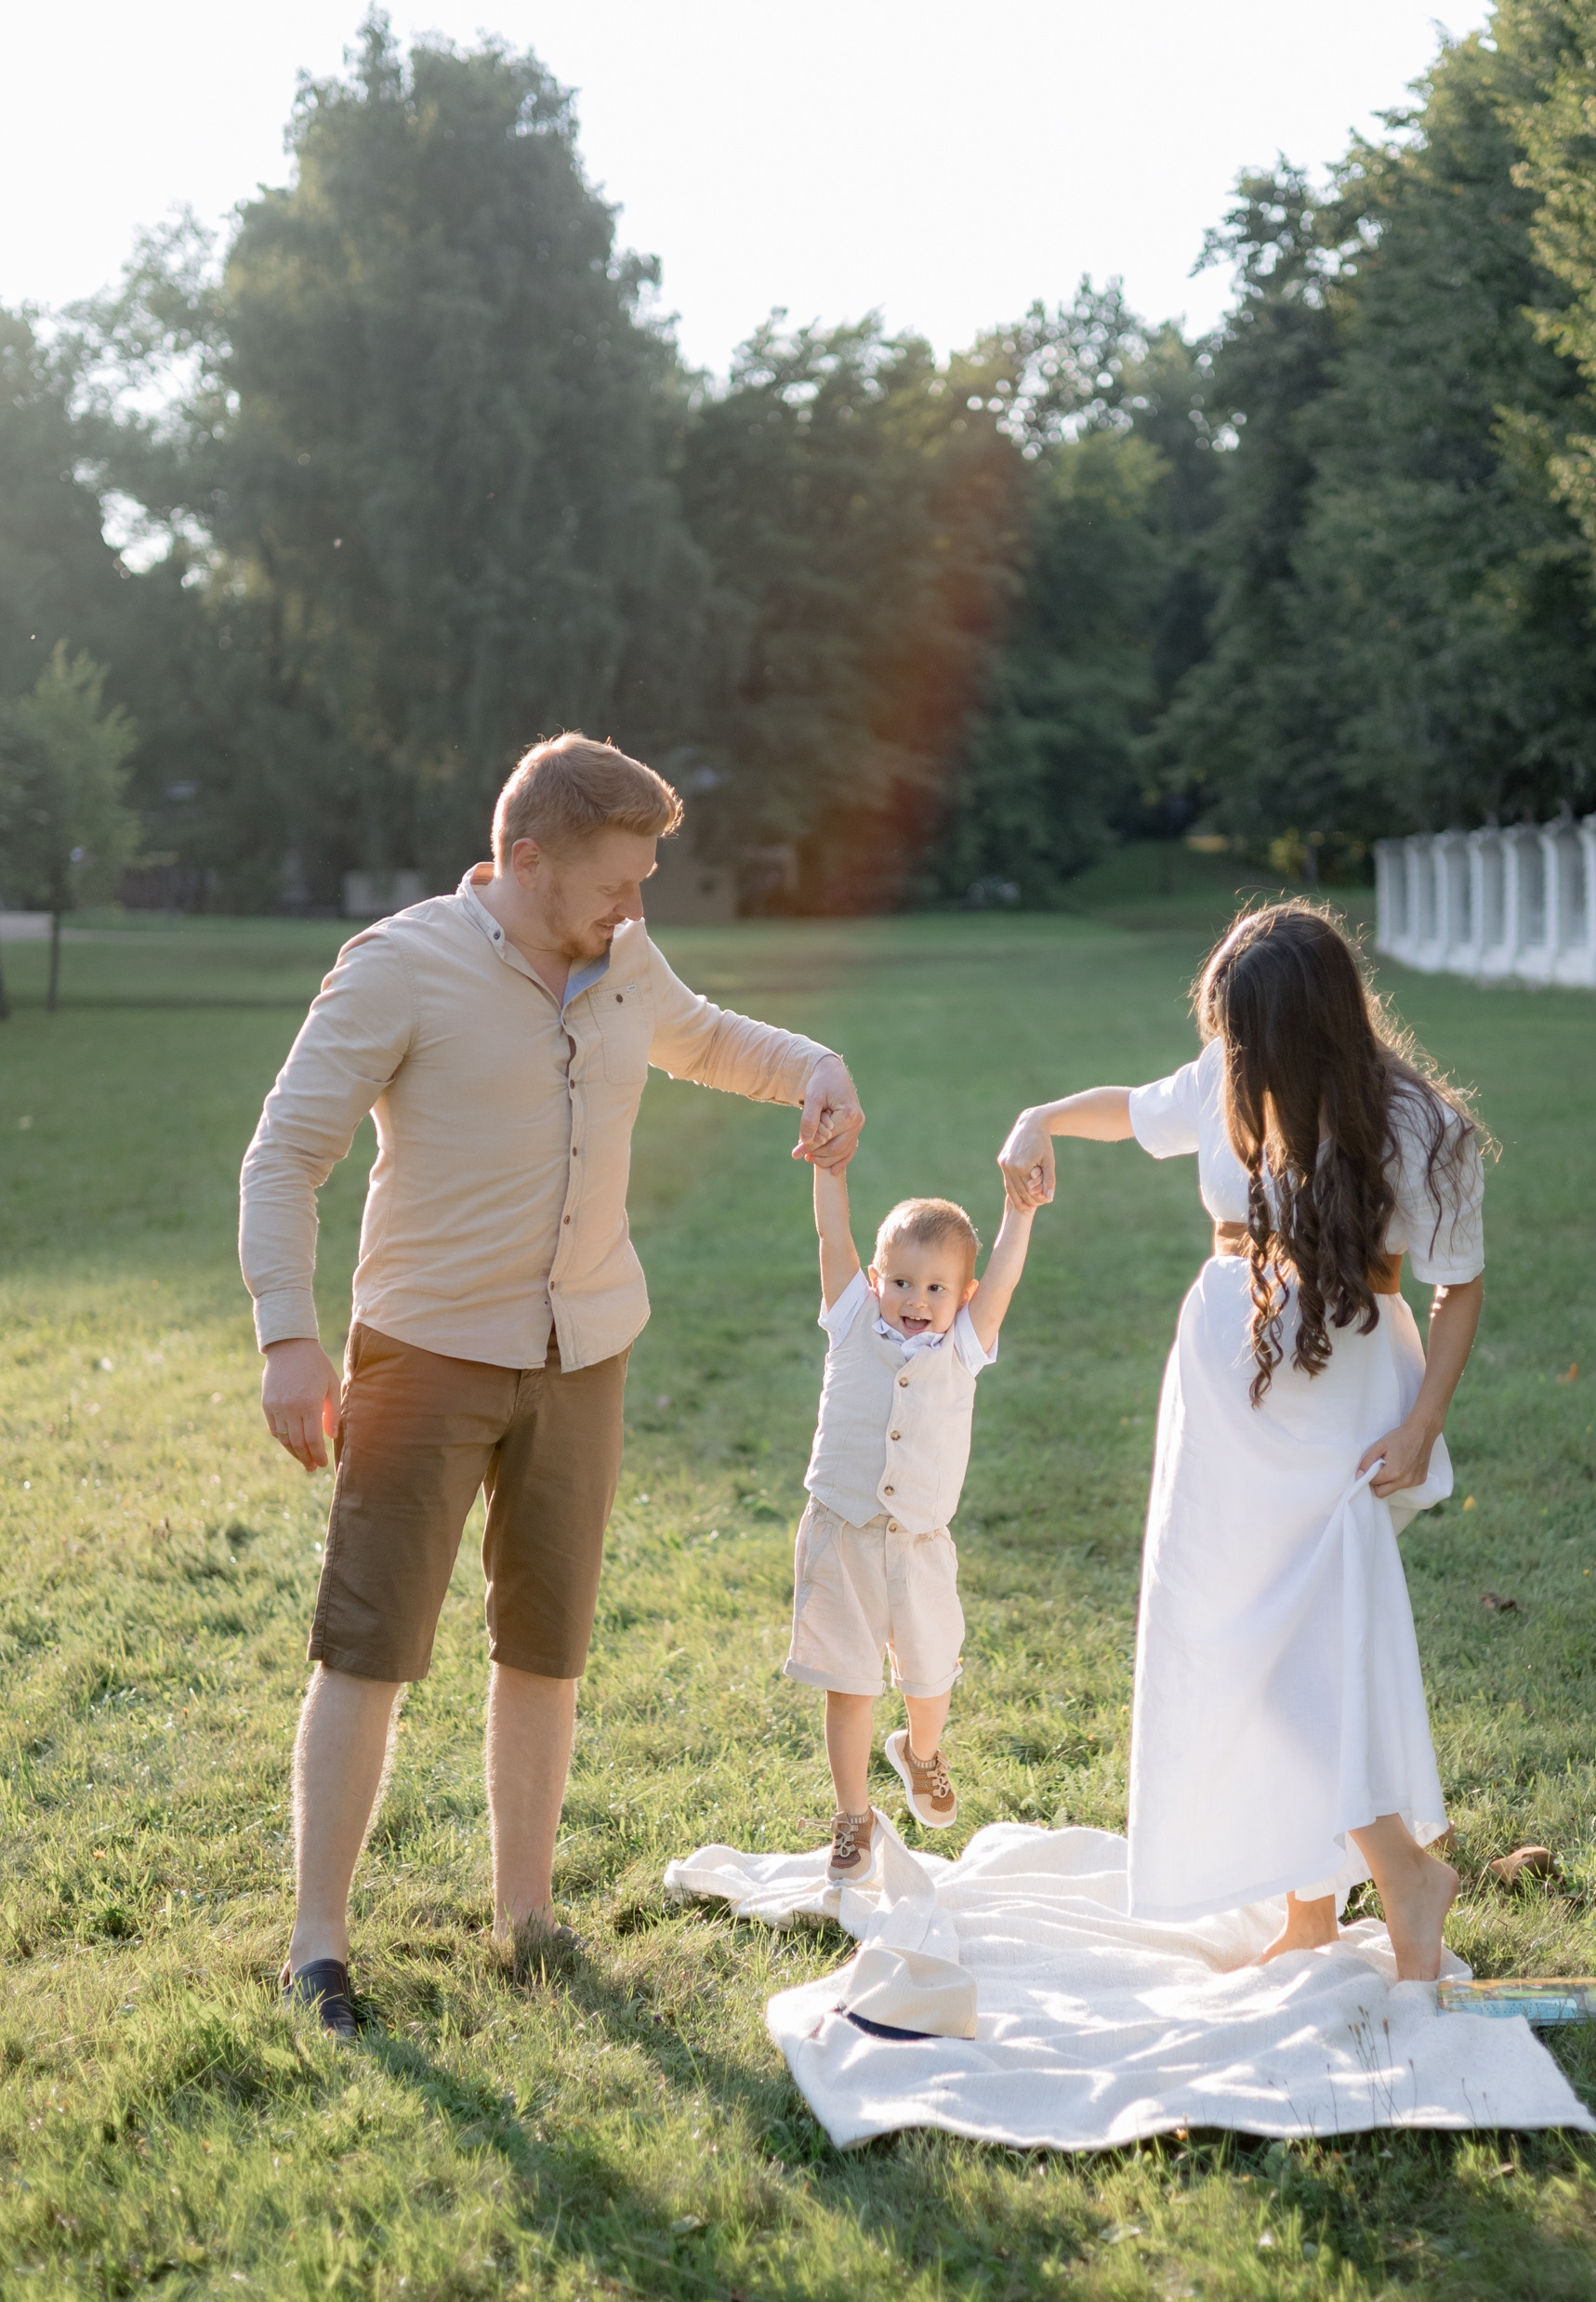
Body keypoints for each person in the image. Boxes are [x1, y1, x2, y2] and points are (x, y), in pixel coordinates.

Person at [241, 734, 863, 2036]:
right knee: (369, 1648)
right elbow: (284, 1155)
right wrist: (288, 1338)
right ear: (525, 860)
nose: (635, 911)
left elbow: (706, 1039)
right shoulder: (400, 967)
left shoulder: (623, 959)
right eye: (616, 884)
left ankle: (525, 1916)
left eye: (643, 885)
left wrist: (815, 1066)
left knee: (547, 1647)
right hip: (425, 1357)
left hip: (584, 1356)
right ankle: (317, 1946)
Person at [996, 901, 1484, 1981]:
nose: (1229, 1053)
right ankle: (1307, 1910)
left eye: (1247, 1032)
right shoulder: (1229, 1072)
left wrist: (1420, 1423)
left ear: (1308, 1027)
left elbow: (1459, 1286)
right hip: (1226, 1394)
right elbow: (1130, 1109)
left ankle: (1400, 1870)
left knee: (1295, 1648)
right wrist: (1039, 1115)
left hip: (1340, 1402)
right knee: (1233, 1640)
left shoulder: (1418, 1129)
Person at [785, 1165, 1038, 1884]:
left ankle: (921, 1752)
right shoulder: (851, 1317)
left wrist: (1019, 1212)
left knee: (929, 1680)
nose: (915, 1301)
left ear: (965, 1297)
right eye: (900, 1282)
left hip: (921, 1545)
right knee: (849, 1682)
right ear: (875, 1280)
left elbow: (1007, 1278)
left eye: (935, 1289)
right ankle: (853, 1816)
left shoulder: (963, 1345)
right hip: (843, 1534)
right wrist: (830, 1170)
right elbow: (831, 1232)